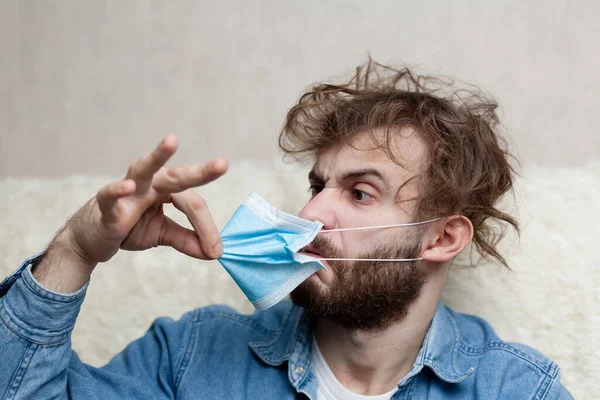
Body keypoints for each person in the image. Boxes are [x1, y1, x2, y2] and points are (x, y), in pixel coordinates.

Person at [0, 60, 573, 399]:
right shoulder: (191, 356)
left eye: (359, 192)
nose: (315, 213)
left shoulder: (515, 388)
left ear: (442, 238)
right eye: (317, 185)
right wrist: (76, 250)